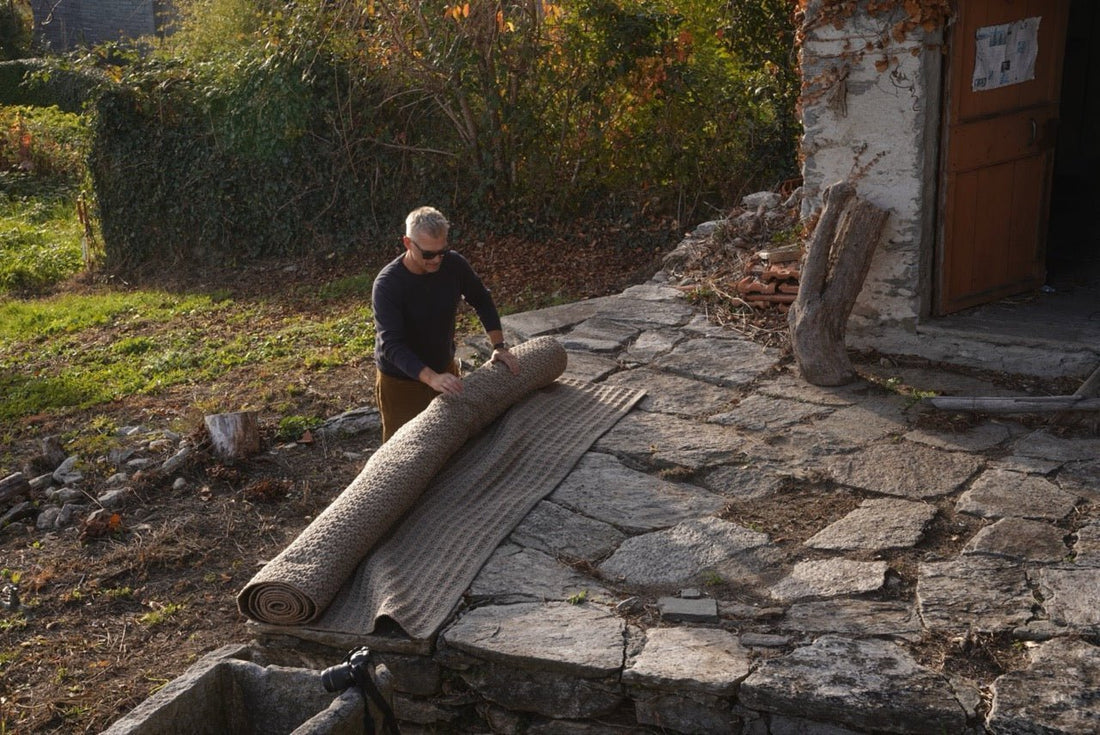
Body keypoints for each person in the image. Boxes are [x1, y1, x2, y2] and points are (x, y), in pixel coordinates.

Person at [372, 206, 520, 441]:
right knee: (404, 447)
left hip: (444, 370)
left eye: (442, 252)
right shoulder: (387, 285)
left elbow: (481, 299)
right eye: (428, 254)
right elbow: (392, 345)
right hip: (401, 383)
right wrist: (432, 378)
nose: (436, 260)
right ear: (408, 243)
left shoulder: (453, 265)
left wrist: (499, 346)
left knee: (454, 439)